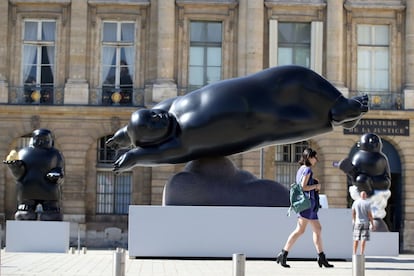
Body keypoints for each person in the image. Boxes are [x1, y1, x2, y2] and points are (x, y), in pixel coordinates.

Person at [276, 148, 334, 268]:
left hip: (309, 205)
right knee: (300, 230)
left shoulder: (301, 169)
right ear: (309, 157)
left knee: (317, 229)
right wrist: (316, 185)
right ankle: (283, 253)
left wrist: (313, 183)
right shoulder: (307, 170)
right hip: (307, 205)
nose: (316, 160)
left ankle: (321, 257)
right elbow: (303, 187)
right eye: (315, 157)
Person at [352, 190, 375, 255]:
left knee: (356, 238)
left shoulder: (355, 202)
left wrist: (354, 220)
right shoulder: (367, 203)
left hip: (357, 222)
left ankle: (354, 253)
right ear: (365, 195)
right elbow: (369, 215)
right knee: (363, 238)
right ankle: (362, 253)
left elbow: (353, 213)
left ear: (360, 195)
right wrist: (372, 224)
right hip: (365, 222)